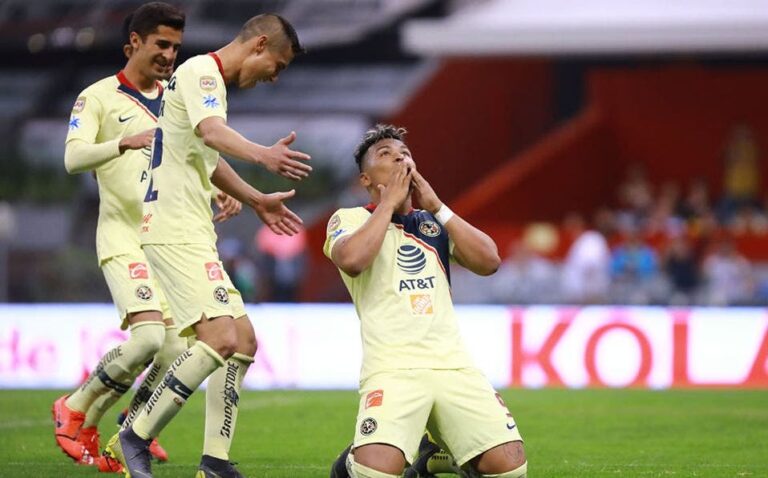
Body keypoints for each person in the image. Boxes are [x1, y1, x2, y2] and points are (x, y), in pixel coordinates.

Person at [106, 13, 310, 478]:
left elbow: (208, 158)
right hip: (174, 228)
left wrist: (256, 199)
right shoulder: (202, 71)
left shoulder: (204, 83)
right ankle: (135, 434)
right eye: (276, 66)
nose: (274, 78)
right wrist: (264, 155)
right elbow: (211, 134)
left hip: (192, 228)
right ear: (259, 45)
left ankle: (215, 461)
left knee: (243, 341)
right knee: (219, 338)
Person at [325, 125, 527, 478]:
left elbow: (489, 261)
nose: (399, 158)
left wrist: (437, 206)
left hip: (454, 366)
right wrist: (388, 204)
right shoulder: (350, 218)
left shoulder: (434, 223)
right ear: (365, 179)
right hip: (392, 368)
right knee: (374, 474)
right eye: (385, 154)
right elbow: (352, 260)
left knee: (510, 470)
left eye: (404, 153)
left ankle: (435, 456)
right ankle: (352, 462)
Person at [54, 3, 195, 472]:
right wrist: (123, 142)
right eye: (161, 44)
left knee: (177, 349)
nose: (170, 55)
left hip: (163, 240)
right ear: (134, 42)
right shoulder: (97, 97)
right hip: (121, 236)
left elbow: (185, 159)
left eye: (176, 47)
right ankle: (74, 405)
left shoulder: (174, 97)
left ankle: (130, 427)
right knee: (149, 338)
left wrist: (217, 191)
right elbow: (73, 159)